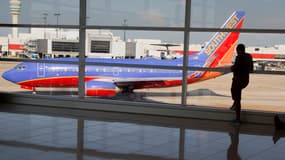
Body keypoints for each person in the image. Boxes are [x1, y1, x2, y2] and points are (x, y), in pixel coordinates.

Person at [230, 43, 253, 123]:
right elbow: (251, 69)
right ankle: (235, 103)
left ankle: (238, 118)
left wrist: (232, 68)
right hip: (245, 80)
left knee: (236, 96)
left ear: (238, 50)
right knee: (236, 95)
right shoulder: (249, 56)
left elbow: (235, 68)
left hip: (237, 80)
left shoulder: (239, 57)